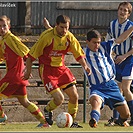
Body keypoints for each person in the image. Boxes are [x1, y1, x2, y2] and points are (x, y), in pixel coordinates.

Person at [23, 15, 91, 128]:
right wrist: (27, 71)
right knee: (59, 98)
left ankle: (71, 122)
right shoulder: (46, 37)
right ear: (56, 25)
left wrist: (85, 66)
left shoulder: (69, 37)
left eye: (66, 28)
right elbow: (30, 57)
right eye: (62, 27)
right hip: (47, 70)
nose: (64, 30)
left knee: (74, 95)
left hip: (61, 69)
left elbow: (78, 53)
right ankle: (47, 109)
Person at [0, 15, 50, 128]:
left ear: (9, 26)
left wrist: (28, 67)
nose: (2, 29)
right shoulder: (3, 41)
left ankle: (1, 116)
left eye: (4, 26)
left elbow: (26, 52)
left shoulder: (11, 38)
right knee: (25, 101)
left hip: (14, 76)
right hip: (18, 78)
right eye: (0, 27)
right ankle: (44, 122)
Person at [84, 27, 133, 127]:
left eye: (98, 42)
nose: (97, 45)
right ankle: (94, 120)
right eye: (94, 42)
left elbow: (121, 39)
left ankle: (119, 121)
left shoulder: (105, 46)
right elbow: (67, 41)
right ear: (87, 42)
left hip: (111, 86)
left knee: (126, 114)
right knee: (96, 102)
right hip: (96, 87)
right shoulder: (82, 52)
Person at [105, 2, 133, 126]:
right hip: (117, 60)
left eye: (125, 10)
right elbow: (109, 41)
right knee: (117, 90)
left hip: (129, 60)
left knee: (126, 89)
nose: (122, 12)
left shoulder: (130, 26)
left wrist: (124, 56)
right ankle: (117, 119)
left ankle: (132, 117)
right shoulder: (112, 25)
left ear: (129, 14)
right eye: (121, 9)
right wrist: (113, 55)